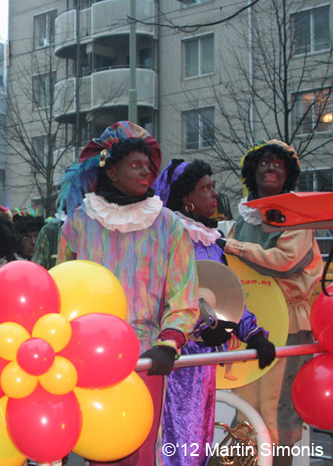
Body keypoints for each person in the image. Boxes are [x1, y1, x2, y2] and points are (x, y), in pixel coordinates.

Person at [56, 121, 199, 465]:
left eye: (148, 165)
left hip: (147, 356)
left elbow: (184, 292)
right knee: (99, 447)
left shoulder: (168, 224)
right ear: (112, 171)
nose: (146, 170)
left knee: (141, 448)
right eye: (135, 164)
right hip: (89, 355)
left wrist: (169, 341)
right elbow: (61, 285)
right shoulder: (78, 222)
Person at [152, 159, 277, 466]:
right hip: (179, 356)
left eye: (213, 186)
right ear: (186, 199)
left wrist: (253, 334)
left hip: (205, 360)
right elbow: (169, 293)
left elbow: (225, 294)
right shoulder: (169, 233)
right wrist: (200, 327)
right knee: (180, 442)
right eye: (205, 188)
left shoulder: (211, 239)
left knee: (201, 439)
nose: (213, 194)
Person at [222, 141, 322, 465]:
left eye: (279, 164)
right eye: (265, 162)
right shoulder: (244, 217)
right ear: (252, 171)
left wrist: (234, 247)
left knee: (278, 409)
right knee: (245, 404)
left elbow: (286, 261)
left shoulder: (298, 216)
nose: (271, 168)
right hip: (251, 323)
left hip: (289, 323)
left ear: (288, 173)